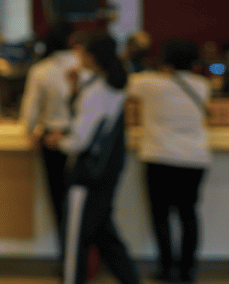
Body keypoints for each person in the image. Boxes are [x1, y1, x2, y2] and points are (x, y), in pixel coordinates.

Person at [44, 31, 140, 284]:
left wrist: (58, 141)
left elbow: (80, 139)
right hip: (106, 171)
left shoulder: (96, 90)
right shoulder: (112, 86)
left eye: (82, 51)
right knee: (103, 234)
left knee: (75, 239)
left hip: (87, 174)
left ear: (92, 57)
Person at [127, 39, 211, 283]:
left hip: (159, 156)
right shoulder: (203, 85)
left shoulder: (148, 83)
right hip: (195, 158)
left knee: (160, 215)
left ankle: (166, 268)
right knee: (188, 214)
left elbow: (123, 83)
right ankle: (187, 271)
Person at [19, 21, 78, 239]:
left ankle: (66, 251)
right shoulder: (84, 65)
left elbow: (29, 112)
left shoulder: (41, 70)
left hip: (51, 140)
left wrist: (29, 131)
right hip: (80, 137)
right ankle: (81, 254)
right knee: (82, 203)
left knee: (59, 200)